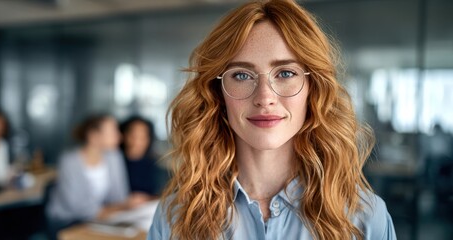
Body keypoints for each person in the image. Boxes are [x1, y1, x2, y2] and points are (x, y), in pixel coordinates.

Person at [148, 1, 397, 239]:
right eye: (242, 75)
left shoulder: (365, 218)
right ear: (218, 92)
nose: (265, 97)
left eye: (286, 73)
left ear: (314, 89)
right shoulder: (175, 217)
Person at [47, 114, 147, 233]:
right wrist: (117, 207)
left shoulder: (114, 157)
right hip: (67, 222)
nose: (119, 136)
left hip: (98, 220)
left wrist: (128, 203)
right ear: (93, 136)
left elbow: (119, 196)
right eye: (113, 131)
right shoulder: (69, 161)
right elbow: (77, 208)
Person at [120, 116, 161, 197]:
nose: (137, 141)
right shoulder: (115, 163)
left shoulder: (158, 165)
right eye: (133, 136)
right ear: (124, 135)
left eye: (142, 137)